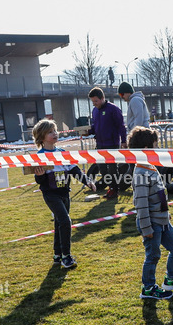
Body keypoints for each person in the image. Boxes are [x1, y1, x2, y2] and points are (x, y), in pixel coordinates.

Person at [129, 126, 173, 300]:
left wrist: (165, 212)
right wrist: (147, 228)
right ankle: (148, 288)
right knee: (153, 256)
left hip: (162, 220)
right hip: (151, 224)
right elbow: (141, 204)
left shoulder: (151, 167)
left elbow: (159, 194)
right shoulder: (141, 172)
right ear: (147, 148)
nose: (157, 149)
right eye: (155, 145)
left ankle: (171, 278)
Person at [31, 119, 96, 270]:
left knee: (59, 223)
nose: (54, 134)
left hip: (65, 193)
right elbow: (38, 179)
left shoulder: (62, 153)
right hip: (50, 194)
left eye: (55, 131)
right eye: (50, 132)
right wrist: (40, 175)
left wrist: (87, 181)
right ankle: (66, 256)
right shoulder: (39, 156)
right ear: (41, 137)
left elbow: (75, 170)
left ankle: (57, 254)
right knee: (65, 221)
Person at [86, 86, 127, 199]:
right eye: (92, 101)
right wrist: (88, 131)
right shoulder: (95, 111)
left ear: (102, 98)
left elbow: (121, 126)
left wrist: (123, 141)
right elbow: (95, 127)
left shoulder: (113, 109)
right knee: (102, 168)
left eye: (96, 101)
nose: (94, 103)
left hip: (112, 144)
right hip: (100, 144)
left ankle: (115, 190)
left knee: (112, 168)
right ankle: (111, 188)